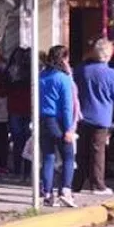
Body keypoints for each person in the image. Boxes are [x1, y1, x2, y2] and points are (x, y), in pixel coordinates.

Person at [72, 39, 114, 195]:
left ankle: (77, 182)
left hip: (82, 115)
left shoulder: (81, 70)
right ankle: (98, 184)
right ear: (109, 55)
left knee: (81, 152)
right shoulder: (113, 74)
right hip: (102, 117)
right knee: (98, 151)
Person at [39, 45, 77, 207]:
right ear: (64, 59)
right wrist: (69, 128)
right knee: (68, 156)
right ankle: (65, 190)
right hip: (59, 121)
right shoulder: (63, 78)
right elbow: (67, 106)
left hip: (43, 120)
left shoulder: (41, 76)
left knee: (48, 157)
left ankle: (47, 193)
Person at [5, 47, 32, 179]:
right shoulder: (16, 71)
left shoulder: (13, 71)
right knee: (24, 141)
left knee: (20, 141)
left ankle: (19, 170)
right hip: (22, 108)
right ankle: (23, 170)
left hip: (18, 108)